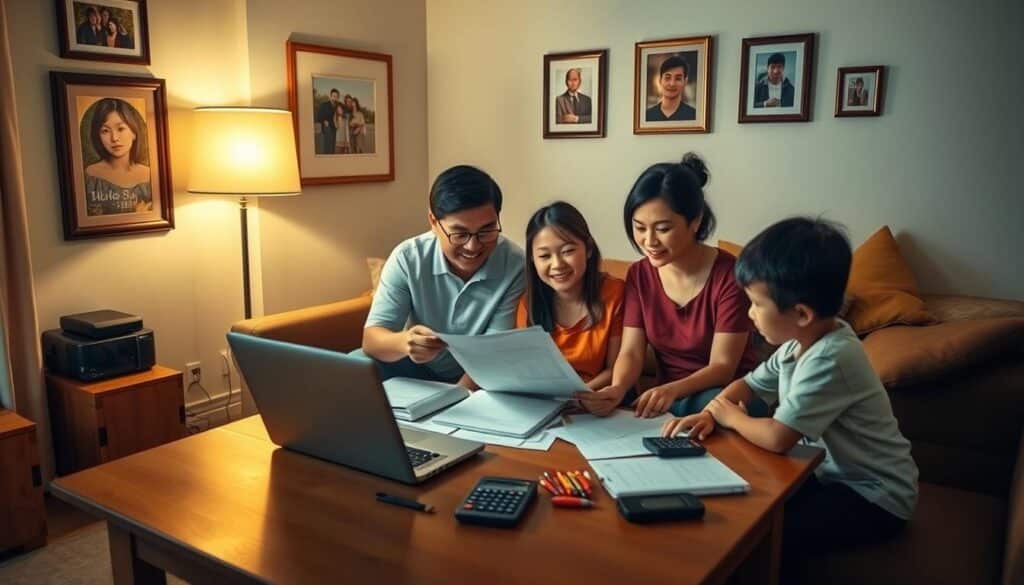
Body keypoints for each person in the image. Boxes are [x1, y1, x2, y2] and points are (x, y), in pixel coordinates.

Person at [663, 217, 918, 583]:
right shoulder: (800, 342)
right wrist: (710, 414)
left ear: (800, 313)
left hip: (874, 496)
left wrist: (731, 418)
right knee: (745, 506)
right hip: (826, 475)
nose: (749, 315)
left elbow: (779, 438)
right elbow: (748, 385)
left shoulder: (831, 357)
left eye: (755, 304)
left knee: (774, 535)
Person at [576, 153, 765, 418]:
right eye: (639, 228)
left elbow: (722, 366)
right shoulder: (640, 275)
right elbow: (631, 351)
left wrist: (671, 392)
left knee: (713, 403)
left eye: (662, 229)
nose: (648, 241)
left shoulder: (729, 275)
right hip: (668, 397)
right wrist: (617, 387)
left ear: (695, 221)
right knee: (620, 398)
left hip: (726, 395)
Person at [360, 165, 526, 386]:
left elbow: (492, 353)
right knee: (356, 363)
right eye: (460, 233)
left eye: (486, 230)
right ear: (433, 222)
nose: (473, 245)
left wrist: (453, 401)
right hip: (415, 366)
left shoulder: (516, 265)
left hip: (482, 374)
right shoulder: (408, 258)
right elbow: (371, 340)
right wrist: (405, 342)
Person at [517, 201, 624, 389]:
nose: (557, 264)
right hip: (546, 403)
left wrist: (577, 397)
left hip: (600, 400)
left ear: (588, 248)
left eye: (568, 251)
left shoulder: (615, 293)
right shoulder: (528, 304)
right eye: (544, 256)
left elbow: (616, 369)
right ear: (532, 259)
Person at [83, 98, 152, 216]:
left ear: (134, 132)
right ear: (98, 136)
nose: (114, 138)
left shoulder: (150, 174)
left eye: (120, 129)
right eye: (105, 131)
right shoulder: (90, 176)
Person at [645, 55, 696, 122]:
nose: (672, 84)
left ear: (685, 82)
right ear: (660, 80)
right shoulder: (648, 115)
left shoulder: (693, 115)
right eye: (667, 78)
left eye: (678, 78)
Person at [315, 89, 339, 155]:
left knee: (332, 148)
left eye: (336, 97)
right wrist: (324, 121)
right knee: (327, 148)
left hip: (334, 129)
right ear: (330, 96)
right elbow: (318, 116)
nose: (335, 98)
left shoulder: (337, 106)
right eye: (333, 96)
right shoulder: (324, 105)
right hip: (327, 128)